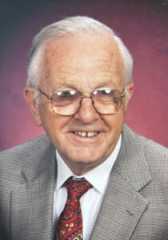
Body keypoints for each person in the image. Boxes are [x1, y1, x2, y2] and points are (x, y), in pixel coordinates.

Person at [0, 16, 168, 240]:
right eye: (66, 95)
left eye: (105, 93)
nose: (87, 115)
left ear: (125, 99)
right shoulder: (4, 174)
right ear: (34, 105)